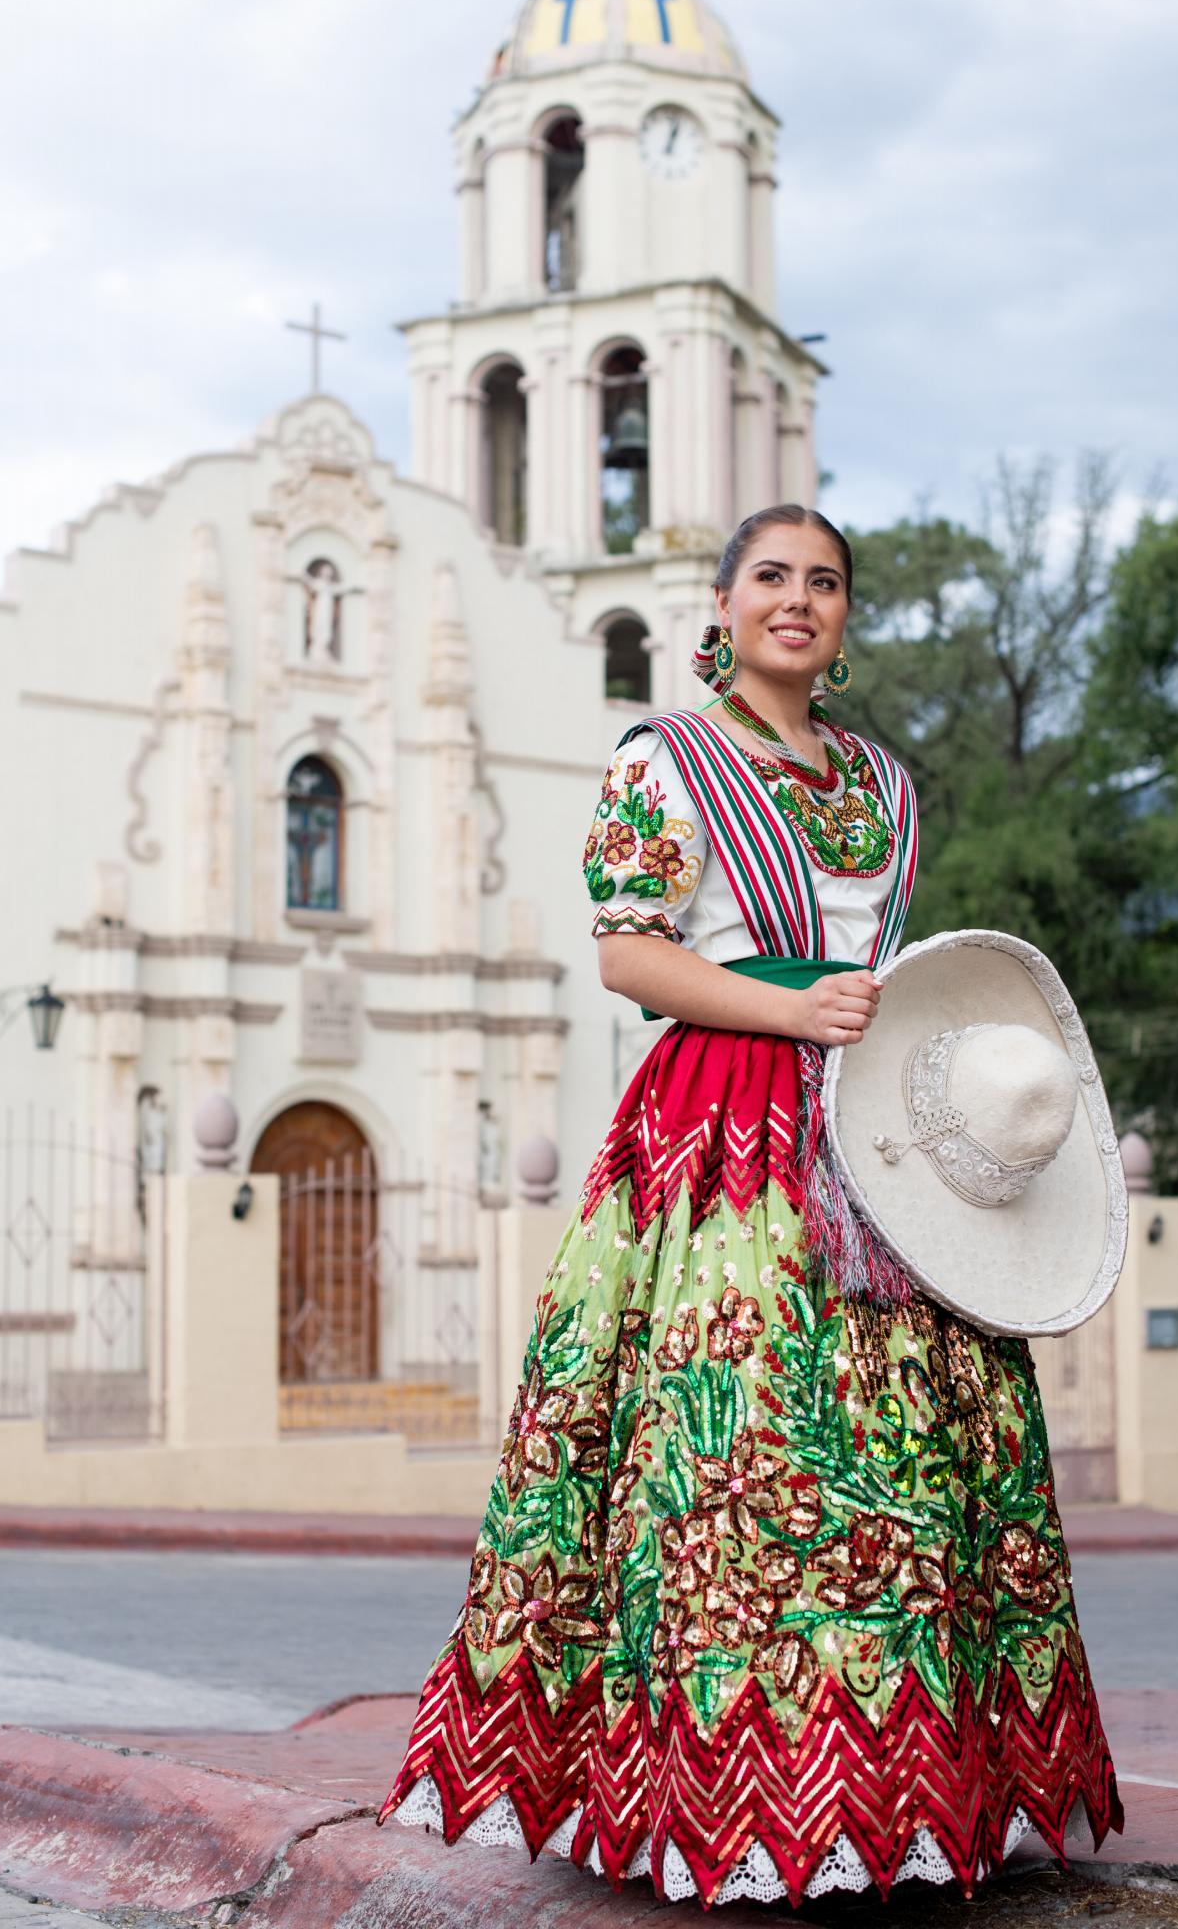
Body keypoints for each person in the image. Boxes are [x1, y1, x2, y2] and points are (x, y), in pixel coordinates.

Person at [378, 503, 1124, 1906]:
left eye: (822, 584)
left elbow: (886, 966)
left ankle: (892, 1795)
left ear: (842, 620)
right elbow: (629, 958)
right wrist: (790, 1003)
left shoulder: (885, 784)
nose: (797, 602)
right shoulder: (661, 759)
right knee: (746, 1439)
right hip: (725, 1119)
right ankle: (725, 1799)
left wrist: (859, 1025)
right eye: (769, 579)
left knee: (909, 1443)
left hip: (883, 1123)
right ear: (718, 607)